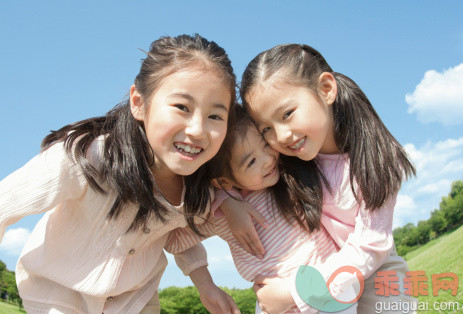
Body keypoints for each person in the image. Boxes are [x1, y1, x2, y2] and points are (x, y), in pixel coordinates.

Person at [0, 34, 240, 314]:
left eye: (215, 116)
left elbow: (180, 237)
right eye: (182, 107)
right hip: (59, 290)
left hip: (135, 299)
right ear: (139, 103)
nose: (198, 130)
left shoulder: (198, 188)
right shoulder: (87, 158)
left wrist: (206, 285)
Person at [221, 44, 417, 313]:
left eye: (287, 114)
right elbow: (223, 174)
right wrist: (227, 202)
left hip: (373, 271)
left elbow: (372, 246)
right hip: (317, 276)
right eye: (266, 128)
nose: (281, 136)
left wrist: (296, 292)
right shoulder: (284, 163)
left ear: (326, 89)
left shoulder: (374, 159)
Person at [166, 104, 357, 314]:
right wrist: (206, 284)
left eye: (265, 145)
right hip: (275, 305)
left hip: (330, 290)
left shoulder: (292, 175)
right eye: (251, 162)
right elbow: (174, 239)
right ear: (223, 182)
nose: (268, 160)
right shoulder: (222, 215)